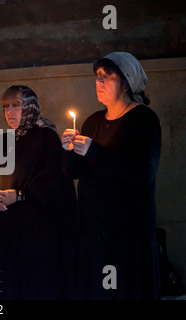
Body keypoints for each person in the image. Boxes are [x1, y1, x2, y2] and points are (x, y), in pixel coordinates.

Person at [62, 52, 162, 299]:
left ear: (126, 82)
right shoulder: (94, 120)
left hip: (127, 235)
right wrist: (68, 150)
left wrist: (94, 150)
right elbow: (73, 171)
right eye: (98, 77)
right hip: (94, 233)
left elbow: (143, 172)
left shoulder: (143, 119)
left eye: (108, 77)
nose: (100, 82)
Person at [0, 85, 78, 300]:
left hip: (34, 235)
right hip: (1, 234)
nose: (9, 112)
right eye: (6, 107)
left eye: (16, 106)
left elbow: (56, 186)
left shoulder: (46, 139)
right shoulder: (0, 141)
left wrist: (19, 194)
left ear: (29, 107)